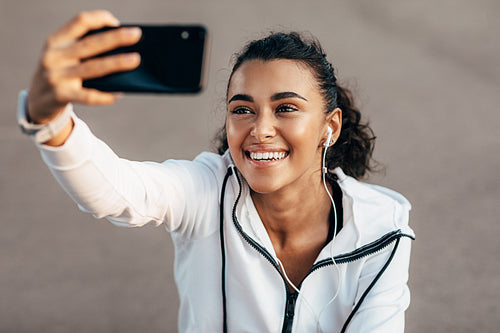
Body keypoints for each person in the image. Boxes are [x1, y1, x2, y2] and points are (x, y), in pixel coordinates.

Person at [18, 10, 414, 333]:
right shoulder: (206, 190)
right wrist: (48, 118)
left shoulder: (383, 230)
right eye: (242, 109)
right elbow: (115, 192)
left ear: (330, 126)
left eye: (286, 108)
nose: (260, 129)